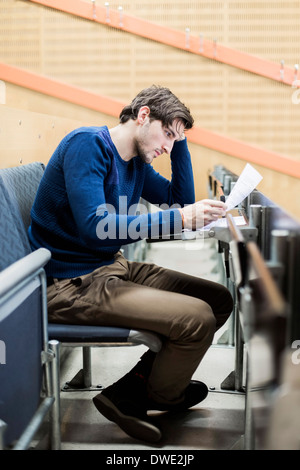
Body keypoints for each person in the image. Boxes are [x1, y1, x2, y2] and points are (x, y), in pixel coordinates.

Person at [29, 85, 233, 443]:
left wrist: (180, 142)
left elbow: (178, 201)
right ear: (143, 116)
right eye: (166, 134)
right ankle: (158, 394)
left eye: (174, 139)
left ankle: (141, 387)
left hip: (109, 268)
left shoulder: (137, 162)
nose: (166, 146)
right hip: (69, 284)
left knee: (218, 299)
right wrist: (181, 219)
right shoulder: (87, 145)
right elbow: (96, 229)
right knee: (196, 318)